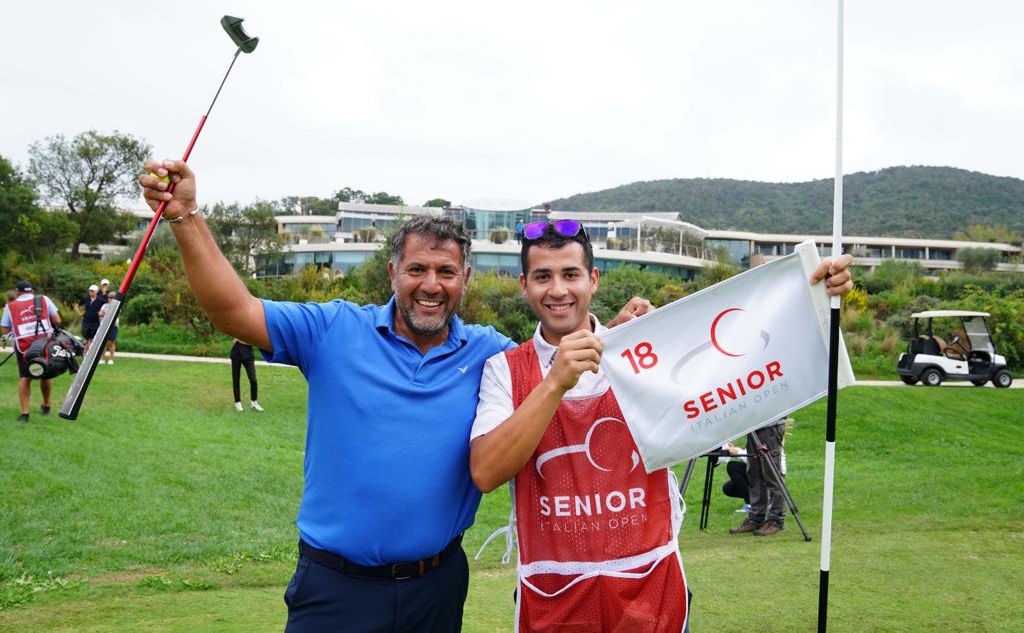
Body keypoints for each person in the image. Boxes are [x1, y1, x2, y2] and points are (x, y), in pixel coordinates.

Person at [138, 159, 651, 632]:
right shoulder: (333, 329)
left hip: (437, 586)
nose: (432, 284)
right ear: (393, 275)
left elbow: (558, 357)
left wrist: (620, 335)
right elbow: (235, 313)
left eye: (446, 272)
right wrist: (185, 216)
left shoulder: (490, 354)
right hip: (336, 587)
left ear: (465, 279)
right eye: (417, 270)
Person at [469, 221, 854, 630]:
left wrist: (815, 295)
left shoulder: (646, 348)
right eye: (543, 277)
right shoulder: (505, 371)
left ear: (593, 280)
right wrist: (553, 384)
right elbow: (486, 472)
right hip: (554, 599)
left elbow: (749, 355)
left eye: (570, 274)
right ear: (523, 285)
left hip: (650, 593)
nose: (558, 289)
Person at [0, 280, 62, 423]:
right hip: (45, 344)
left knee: (25, 377)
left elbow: (4, 328)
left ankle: (25, 414)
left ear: (17, 292)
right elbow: (57, 320)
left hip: (24, 347)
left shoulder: (10, 306)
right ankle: (46, 405)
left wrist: (9, 337)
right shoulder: (44, 300)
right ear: (31, 291)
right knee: (45, 375)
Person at [730, 417, 790, 536]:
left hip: (769, 424)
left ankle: (776, 521)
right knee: (754, 476)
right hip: (753, 425)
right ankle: (755, 519)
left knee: (772, 476)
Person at [230, 338, 263, 412]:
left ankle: (254, 402)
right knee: (236, 379)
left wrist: (240, 340)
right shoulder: (237, 328)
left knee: (253, 379)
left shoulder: (252, 329)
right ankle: (237, 402)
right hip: (236, 354)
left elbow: (255, 342)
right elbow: (234, 339)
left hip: (248, 355)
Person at [76, 284, 106, 352]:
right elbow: (77, 305)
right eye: (90, 291)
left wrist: (102, 313)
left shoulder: (101, 300)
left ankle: (90, 353)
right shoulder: (86, 299)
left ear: (96, 292)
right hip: (86, 321)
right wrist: (80, 313)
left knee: (92, 339)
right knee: (86, 338)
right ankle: (85, 353)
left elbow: (106, 307)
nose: (90, 292)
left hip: (95, 322)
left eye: (92, 291)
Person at [98, 290, 119, 365]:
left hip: (113, 326)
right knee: (103, 343)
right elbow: (100, 313)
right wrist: (106, 314)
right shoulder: (105, 305)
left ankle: (111, 359)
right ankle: (102, 359)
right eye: (109, 297)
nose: (110, 299)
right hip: (104, 325)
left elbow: (112, 316)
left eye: (112, 297)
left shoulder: (117, 306)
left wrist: (105, 314)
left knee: (111, 342)